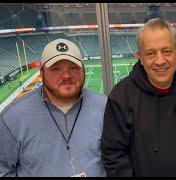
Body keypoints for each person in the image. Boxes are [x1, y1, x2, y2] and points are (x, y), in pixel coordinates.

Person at [101, 18, 176, 177]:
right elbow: (113, 155)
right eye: (150, 53)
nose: (160, 61)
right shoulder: (121, 96)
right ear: (140, 56)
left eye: (166, 51)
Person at [0, 38, 107, 177]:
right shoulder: (13, 117)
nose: (66, 75)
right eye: (56, 69)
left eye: (73, 68)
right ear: (42, 73)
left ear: (83, 70)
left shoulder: (105, 106)